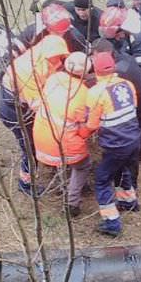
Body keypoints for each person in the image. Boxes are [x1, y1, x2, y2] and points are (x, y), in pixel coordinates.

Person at [0, 5, 70, 195]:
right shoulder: (29, 72)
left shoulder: (44, 53)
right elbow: (40, 109)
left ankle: (52, 165)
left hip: (19, 101)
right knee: (30, 146)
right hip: (14, 110)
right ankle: (25, 183)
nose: (59, 62)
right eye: (56, 58)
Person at [81, 51, 141, 237]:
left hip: (116, 144)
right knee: (122, 168)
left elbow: (91, 124)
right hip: (134, 138)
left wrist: (80, 133)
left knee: (102, 178)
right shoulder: (128, 85)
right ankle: (129, 201)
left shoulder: (95, 93)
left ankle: (111, 222)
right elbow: (134, 107)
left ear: (96, 71)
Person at [32, 52, 91, 217]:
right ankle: (71, 203)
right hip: (62, 141)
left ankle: (62, 183)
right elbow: (82, 127)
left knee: (60, 160)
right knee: (82, 165)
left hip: (41, 136)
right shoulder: (82, 93)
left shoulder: (54, 79)